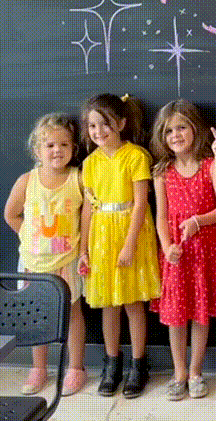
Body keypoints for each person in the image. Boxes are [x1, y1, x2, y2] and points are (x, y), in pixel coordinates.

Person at [150, 100, 216, 401]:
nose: (175, 135)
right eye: (169, 130)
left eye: (181, 127)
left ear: (195, 129)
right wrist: (166, 246)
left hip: (206, 250)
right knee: (175, 315)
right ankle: (179, 373)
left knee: (199, 313)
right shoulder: (163, 171)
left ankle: (196, 371)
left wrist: (199, 221)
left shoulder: (211, 166)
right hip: (177, 252)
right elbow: (161, 216)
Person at [77, 94, 161, 398]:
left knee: (133, 303)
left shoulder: (135, 156)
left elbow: (140, 204)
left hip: (130, 234)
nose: (98, 131)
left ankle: (139, 364)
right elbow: (88, 208)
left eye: (105, 124)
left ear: (122, 123)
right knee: (108, 304)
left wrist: (129, 244)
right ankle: (112, 364)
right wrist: (84, 249)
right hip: (101, 237)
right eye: (93, 126)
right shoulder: (90, 163)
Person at [4, 114, 88, 396]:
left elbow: (87, 217)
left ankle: (76, 368)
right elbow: (11, 215)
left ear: (73, 148)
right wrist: (32, 241)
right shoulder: (27, 181)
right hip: (33, 262)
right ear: (37, 150)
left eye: (64, 144)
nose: (57, 150)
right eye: (50, 145)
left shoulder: (78, 179)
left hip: (67, 262)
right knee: (36, 313)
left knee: (73, 313)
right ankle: (39, 368)